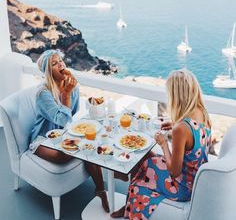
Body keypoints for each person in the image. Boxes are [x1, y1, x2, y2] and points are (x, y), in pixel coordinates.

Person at [111, 69, 212, 219]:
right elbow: (192, 135)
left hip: (182, 186)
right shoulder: (202, 112)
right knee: (143, 157)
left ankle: (132, 204)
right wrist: (174, 124)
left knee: (138, 183)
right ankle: (128, 205)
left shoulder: (181, 128)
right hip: (194, 178)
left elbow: (174, 172)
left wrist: (164, 143)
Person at [30, 49, 109, 213]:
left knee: (87, 145)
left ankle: (101, 190)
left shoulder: (70, 85)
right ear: (47, 71)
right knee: (63, 155)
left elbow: (72, 112)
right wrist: (66, 94)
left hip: (65, 134)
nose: (61, 64)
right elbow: (63, 119)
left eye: (61, 61)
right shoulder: (42, 93)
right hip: (44, 138)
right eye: (54, 63)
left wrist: (70, 91)